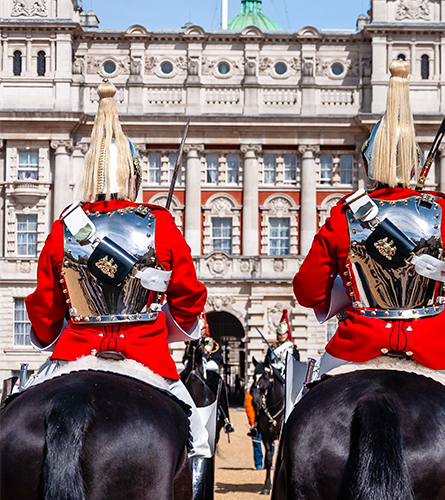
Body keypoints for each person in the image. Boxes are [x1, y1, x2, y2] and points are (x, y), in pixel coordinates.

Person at [292, 58, 445, 480]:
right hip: (436, 349)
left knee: (297, 425)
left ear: (367, 162)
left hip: (356, 346)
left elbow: (308, 290)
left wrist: (347, 292)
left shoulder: (344, 215)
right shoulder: (442, 211)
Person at [23, 80, 213, 498]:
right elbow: (189, 297)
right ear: (134, 177)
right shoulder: (157, 222)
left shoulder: (64, 226)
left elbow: (43, 309)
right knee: (198, 437)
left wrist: (58, 329)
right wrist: (169, 321)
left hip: (73, 353)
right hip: (146, 356)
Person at [269, 309, 299, 378]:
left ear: (287, 334)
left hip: (288, 373)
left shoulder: (292, 346)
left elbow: (296, 361)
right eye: (279, 334)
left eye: (283, 334)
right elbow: (268, 361)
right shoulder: (273, 346)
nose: (281, 336)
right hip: (275, 373)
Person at [245, 366, 265, 470]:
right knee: (257, 443)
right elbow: (249, 407)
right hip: (256, 421)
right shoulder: (251, 392)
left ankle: (268, 462)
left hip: (266, 420)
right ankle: (258, 463)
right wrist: (252, 422)